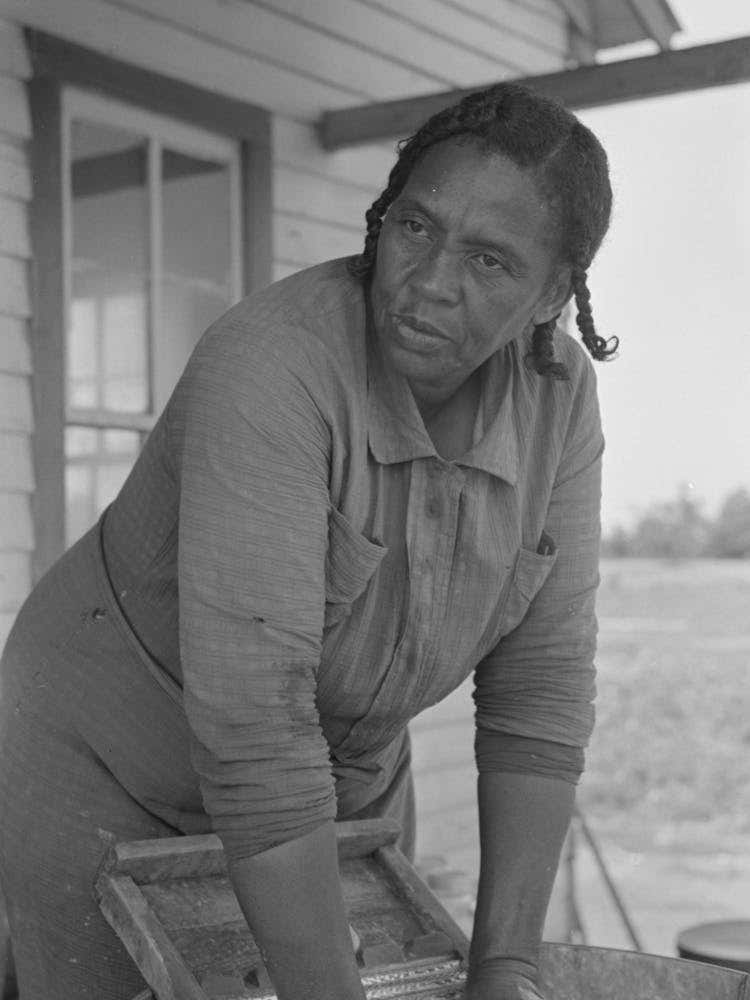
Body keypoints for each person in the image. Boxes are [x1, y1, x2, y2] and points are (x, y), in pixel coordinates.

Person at [0, 83, 615, 1000]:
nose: (432, 281)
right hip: (112, 761)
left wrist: (508, 967)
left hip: (341, 785)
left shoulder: (557, 399)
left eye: (489, 261)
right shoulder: (272, 364)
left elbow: (539, 697)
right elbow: (257, 733)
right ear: (382, 219)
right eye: (415, 228)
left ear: (552, 295)